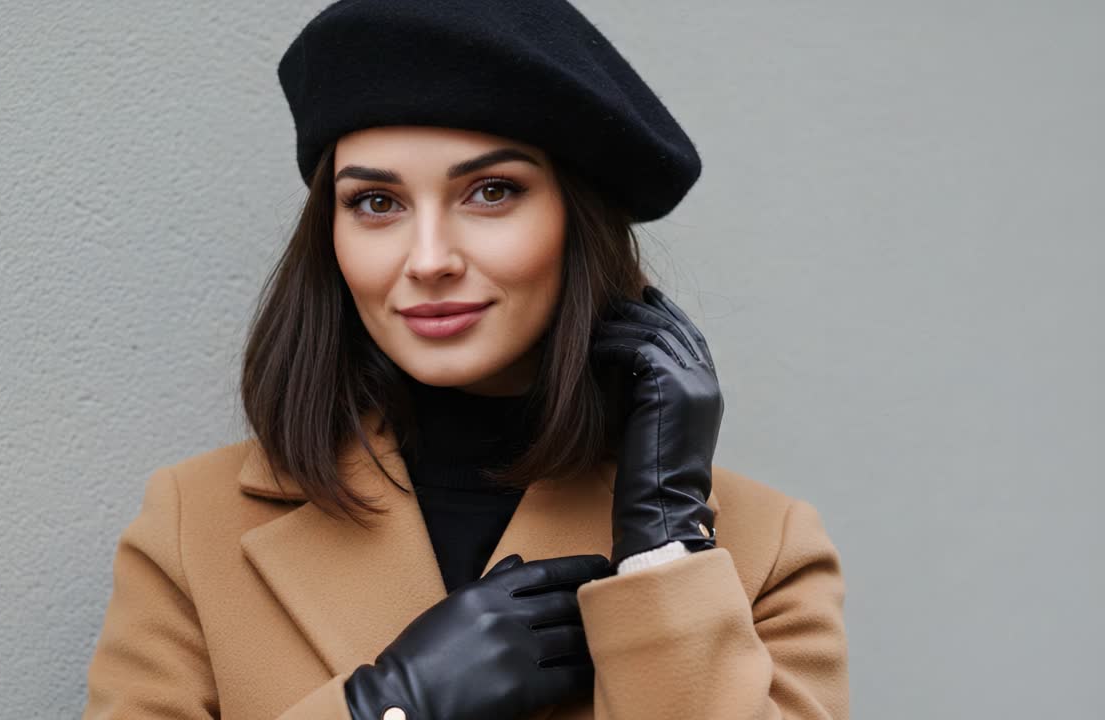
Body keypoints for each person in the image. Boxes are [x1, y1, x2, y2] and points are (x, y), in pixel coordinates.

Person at [81, 1, 849, 718]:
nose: (428, 259)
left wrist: (665, 553)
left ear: (576, 222)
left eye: (490, 192)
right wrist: (390, 702)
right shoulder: (193, 526)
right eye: (376, 203)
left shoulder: (763, 550)